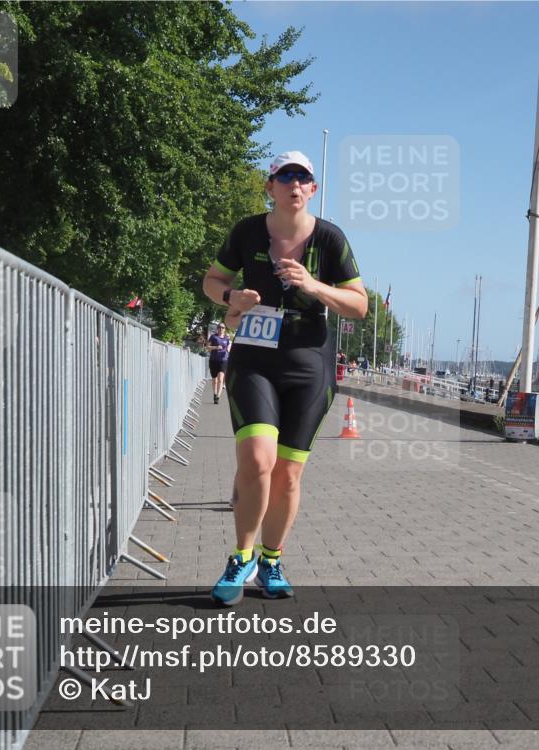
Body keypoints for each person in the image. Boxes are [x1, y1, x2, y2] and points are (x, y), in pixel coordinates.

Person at [202, 150, 367, 606]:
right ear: (270, 186)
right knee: (257, 461)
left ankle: (271, 560)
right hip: (254, 360)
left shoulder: (330, 239)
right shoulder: (248, 231)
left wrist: (313, 286)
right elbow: (212, 281)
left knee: (288, 476)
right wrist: (233, 294)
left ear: (312, 190)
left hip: (308, 364)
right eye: (285, 176)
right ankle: (242, 556)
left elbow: (359, 304)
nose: (295, 184)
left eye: (304, 178)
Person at [206, 323, 231, 404]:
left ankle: (218, 397)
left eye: (223, 327)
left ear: (225, 329)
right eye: (219, 327)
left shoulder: (227, 338)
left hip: (223, 361)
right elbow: (207, 347)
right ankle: (215, 393)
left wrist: (228, 350)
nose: (221, 329)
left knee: (220, 379)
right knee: (215, 380)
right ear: (217, 328)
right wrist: (216, 347)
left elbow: (228, 348)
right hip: (213, 360)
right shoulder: (213, 337)